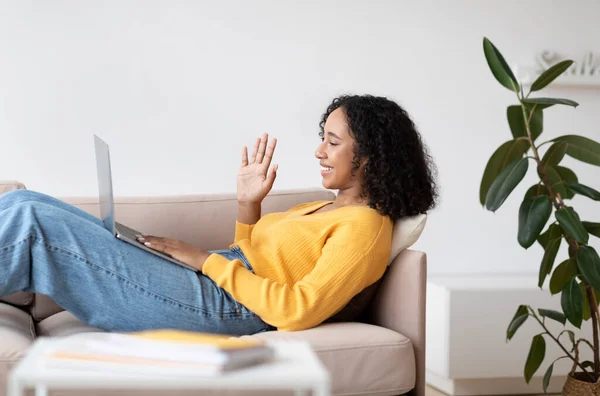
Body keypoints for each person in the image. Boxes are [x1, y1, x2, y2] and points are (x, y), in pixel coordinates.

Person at [0, 94, 437, 335]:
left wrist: (205, 261)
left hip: (223, 306)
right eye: (323, 138)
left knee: (33, 225)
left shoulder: (364, 227)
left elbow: (299, 309)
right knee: (27, 203)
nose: (319, 151)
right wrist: (249, 203)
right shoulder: (329, 205)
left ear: (370, 155)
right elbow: (255, 256)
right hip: (218, 282)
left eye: (333, 142)